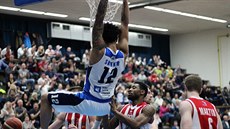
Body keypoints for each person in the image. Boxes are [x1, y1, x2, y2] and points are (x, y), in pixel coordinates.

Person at [40, 0, 129, 128]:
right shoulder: (124, 53)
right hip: (106, 106)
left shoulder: (98, 51)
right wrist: (125, 2)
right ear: (117, 38)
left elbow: (99, 19)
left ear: (101, 37)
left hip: (88, 101)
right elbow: (125, 23)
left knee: (45, 98)